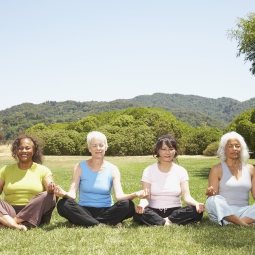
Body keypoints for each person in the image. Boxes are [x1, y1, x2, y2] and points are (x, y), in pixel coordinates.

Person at [55, 131, 149, 227]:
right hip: (84, 210)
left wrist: (135, 194)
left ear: (106, 148)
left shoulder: (113, 169)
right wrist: (64, 194)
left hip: (107, 210)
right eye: (94, 146)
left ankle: (83, 222)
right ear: (89, 148)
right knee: (63, 204)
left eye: (101, 145)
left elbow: (119, 197)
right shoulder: (79, 167)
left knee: (128, 205)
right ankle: (101, 223)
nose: (98, 148)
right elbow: (72, 194)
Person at [133, 134, 204, 226]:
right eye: (163, 149)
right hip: (154, 210)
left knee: (196, 211)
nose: (167, 152)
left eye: (171, 149)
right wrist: (141, 206)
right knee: (137, 214)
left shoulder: (181, 171)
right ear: (158, 151)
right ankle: (168, 222)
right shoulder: (148, 170)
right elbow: (146, 198)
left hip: (175, 211)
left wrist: (196, 204)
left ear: (175, 151)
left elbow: (186, 197)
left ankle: (163, 221)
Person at [0, 135, 56, 231]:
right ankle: (15, 225)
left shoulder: (43, 170)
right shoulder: (6, 170)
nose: (24, 151)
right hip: (10, 211)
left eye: (27, 148)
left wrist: (51, 189)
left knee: (49, 195)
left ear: (34, 151)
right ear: (16, 151)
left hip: (34, 211)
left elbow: (51, 193)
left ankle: (9, 222)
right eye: (20, 148)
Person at [206, 131, 255, 226]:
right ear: (224, 149)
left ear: (242, 149)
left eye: (237, 146)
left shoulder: (251, 169)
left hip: (244, 211)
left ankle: (233, 223)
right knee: (212, 200)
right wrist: (210, 193)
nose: (234, 149)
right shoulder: (216, 169)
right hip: (224, 212)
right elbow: (213, 195)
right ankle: (245, 224)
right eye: (230, 146)